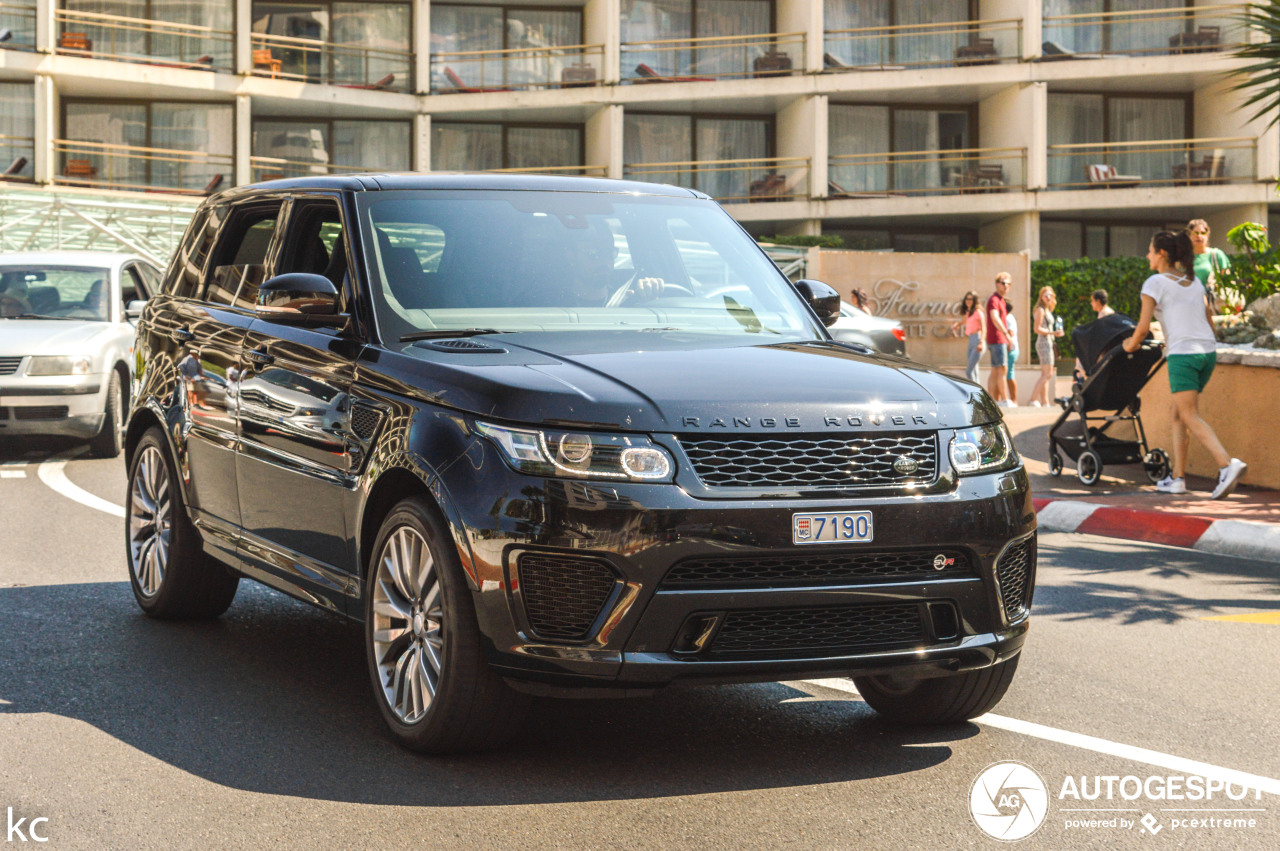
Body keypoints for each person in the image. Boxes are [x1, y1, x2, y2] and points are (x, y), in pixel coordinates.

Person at [1123, 230, 1246, 499]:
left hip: (1184, 355)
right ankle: (1178, 478)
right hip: (1207, 353)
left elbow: (1142, 329)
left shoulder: (1154, 282)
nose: (1147, 255)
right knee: (1179, 414)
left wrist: (1128, 346)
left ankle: (1227, 464)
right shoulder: (1193, 281)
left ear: (1162, 254)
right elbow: (1208, 320)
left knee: (1189, 414)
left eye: (1150, 250)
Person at [1029, 286, 1063, 407]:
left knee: (1045, 373)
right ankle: (1033, 399)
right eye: (1045, 295)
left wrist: (1055, 333)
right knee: (1048, 373)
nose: (1048, 297)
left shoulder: (1047, 310)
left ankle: (1045, 401)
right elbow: (1036, 329)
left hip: (1048, 341)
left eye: (1050, 295)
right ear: (1041, 297)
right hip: (1043, 342)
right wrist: (1052, 333)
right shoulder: (1040, 309)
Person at [1187, 219, 1229, 307]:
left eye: (1203, 233)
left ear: (1207, 235)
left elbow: (1227, 280)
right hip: (1189, 304)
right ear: (1189, 235)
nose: (1199, 236)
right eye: (1195, 233)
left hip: (1213, 303)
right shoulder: (1183, 257)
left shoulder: (1216, 255)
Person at [985, 273, 1012, 405]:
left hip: (998, 339)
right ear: (997, 284)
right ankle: (1005, 399)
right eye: (1003, 283)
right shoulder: (994, 299)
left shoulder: (1001, 300)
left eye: (1008, 283)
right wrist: (1006, 334)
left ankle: (992, 401)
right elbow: (994, 317)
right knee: (1002, 369)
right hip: (997, 339)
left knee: (996, 370)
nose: (1006, 285)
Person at [951, 290, 985, 384]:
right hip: (971, 341)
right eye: (967, 299)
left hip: (977, 340)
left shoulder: (978, 312)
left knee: (969, 371)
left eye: (971, 299)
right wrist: (957, 325)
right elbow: (964, 320)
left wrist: (981, 342)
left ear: (975, 300)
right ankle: (979, 394)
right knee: (974, 371)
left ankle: (975, 393)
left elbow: (984, 328)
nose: (968, 301)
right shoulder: (969, 312)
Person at [1004, 300, 1019, 407]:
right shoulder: (1009, 317)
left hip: (1010, 349)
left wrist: (1009, 346)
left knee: (1009, 375)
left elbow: (1010, 333)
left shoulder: (1007, 318)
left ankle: (1014, 400)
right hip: (1012, 349)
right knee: (1008, 374)